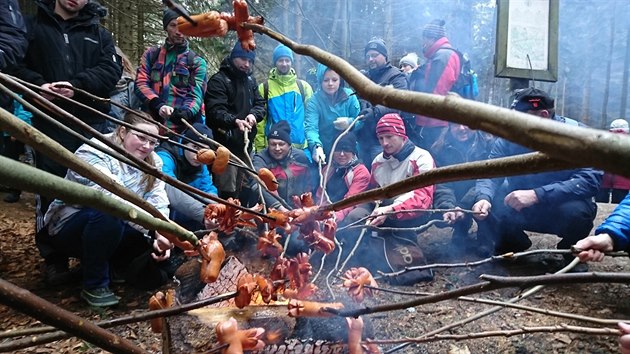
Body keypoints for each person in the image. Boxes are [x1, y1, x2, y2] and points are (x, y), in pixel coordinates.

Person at [11, 0, 121, 259]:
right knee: (51, 187)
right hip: (49, 123)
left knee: (97, 186)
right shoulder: (31, 26)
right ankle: (53, 256)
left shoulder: (99, 33)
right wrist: (38, 86)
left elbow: (111, 70)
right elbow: (14, 65)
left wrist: (76, 87)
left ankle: (93, 254)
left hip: (91, 123)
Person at [40, 111, 173, 307]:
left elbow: (157, 198)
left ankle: (113, 265)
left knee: (166, 219)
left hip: (123, 220)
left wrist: (164, 230)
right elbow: (111, 197)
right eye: (141, 137)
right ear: (122, 131)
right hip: (70, 226)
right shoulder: (92, 152)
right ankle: (95, 284)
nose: (147, 146)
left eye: (153, 142)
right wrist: (152, 229)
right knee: (108, 213)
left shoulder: (154, 161)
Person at [471, 88, 602, 258]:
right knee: (488, 200)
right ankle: (512, 243)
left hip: (559, 207)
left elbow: (589, 180)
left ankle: (571, 251)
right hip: (520, 208)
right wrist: (483, 197)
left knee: (578, 212)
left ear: (543, 116)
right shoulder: (508, 139)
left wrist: (537, 194)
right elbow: (491, 172)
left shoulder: (579, 136)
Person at [359, 113, 435, 285]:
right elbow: (374, 191)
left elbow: (422, 196)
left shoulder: (421, 157)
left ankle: (402, 251)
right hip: (384, 209)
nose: (385, 143)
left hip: (412, 213)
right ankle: (368, 254)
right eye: (380, 138)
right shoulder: (378, 161)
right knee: (356, 217)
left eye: (389, 137)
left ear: (401, 134)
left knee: (397, 229)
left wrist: (391, 210)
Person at [205, 41, 266, 201]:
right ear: (233, 57)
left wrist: (253, 115)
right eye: (243, 59)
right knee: (227, 189)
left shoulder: (250, 81)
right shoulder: (219, 80)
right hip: (225, 145)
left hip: (246, 145)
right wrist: (235, 121)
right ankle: (224, 221)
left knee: (247, 187)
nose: (246, 64)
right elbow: (214, 112)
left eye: (250, 61)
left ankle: (243, 221)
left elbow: (260, 104)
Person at [135, 8, 208, 134]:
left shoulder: (197, 62)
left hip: (182, 132)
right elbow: (141, 83)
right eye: (173, 25)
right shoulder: (151, 55)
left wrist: (183, 113)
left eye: (182, 26)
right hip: (150, 127)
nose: (178, 31)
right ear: (166, 28)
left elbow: (196, 95)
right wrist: (157, 104)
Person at [431, 120, 491, 254]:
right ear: (449, 127)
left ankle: (486, 233)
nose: (462, 128)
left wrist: (464, 206)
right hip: (457, 194)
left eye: (466, 123)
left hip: (482, 193)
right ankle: (461, 227)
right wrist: (448, 207)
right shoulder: (440, 149)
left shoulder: (488, 144)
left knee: (491, 193)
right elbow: (442, 182)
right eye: (456, 125)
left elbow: (486, 181)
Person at [407, 19, 461, 150]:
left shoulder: (443, 56)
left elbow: (437, 93)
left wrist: (422, 124)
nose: (423, 43)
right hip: (434, 122)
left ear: (431, 38)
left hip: (436, 124)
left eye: (424, 39)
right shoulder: (441, 55)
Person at [156, 123, 217, 231]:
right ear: (184, 144)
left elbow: (207, 189)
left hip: (188, 219)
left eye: (205, 150)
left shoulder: (201, 165)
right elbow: (171, 189)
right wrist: (205, 214)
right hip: (163, 219)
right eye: (195, 147)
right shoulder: (164, 157)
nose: (198, 154)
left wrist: (217, 211)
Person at [356, 38, 408, 167]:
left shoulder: (396, 76)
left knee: (383, 174)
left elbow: (400, 102)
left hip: (385, 139)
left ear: (384, 56)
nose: (370, 59)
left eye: (374, 55)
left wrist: (375, 111)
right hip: (364, 137)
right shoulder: (365, 77)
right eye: (368, 56)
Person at [254, 44, 313, 154]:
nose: (284, 64)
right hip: (275, 150)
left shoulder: (303, 87)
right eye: (281, 60)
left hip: (301, 148)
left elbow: (311, 119)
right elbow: (260, 122)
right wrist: (260, 149)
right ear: (275, 62)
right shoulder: (265, 88)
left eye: (287, 60)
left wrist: (313, 146)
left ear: (292, 62)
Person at [304, 63, 361, 162]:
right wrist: (316, 146)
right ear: (320, 81)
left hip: (348, 150)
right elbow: (311, 128)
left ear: (340, 81)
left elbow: (360, 120)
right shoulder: (315, 101)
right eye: (326, 80)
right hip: (325, 150)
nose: (330, 83)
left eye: (334, 80)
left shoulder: (350, 96)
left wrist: (350, 123)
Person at [252, 120, 312, 210]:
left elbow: (310, 181)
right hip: (269, 210)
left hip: (298, 209)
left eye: (281, 144)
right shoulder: (261, 159)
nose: (277, 148)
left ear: (289, 145)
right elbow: (256, 184)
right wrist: (279, 208)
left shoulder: (300, 157)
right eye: (273, 144)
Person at [316, 133, 370, 225]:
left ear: (353, 152)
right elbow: (321, 195)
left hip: (350, 209)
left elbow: (350, 201)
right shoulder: (329, 168)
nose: (341, 154)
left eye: (346, 150)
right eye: (338, 150)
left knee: (354, 216)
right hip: (330, 209)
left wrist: (334, 218)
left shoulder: (361, 172)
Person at [596, 119, 630, 203]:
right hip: (624, 181)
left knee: (600, 205)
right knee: (620, 205)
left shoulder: (603, 140)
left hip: (603, 178)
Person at [108, 46, 141, 124]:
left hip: (120, 132)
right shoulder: (93, 84)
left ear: (122, 61)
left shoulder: (130, 85)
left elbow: (136, 114)